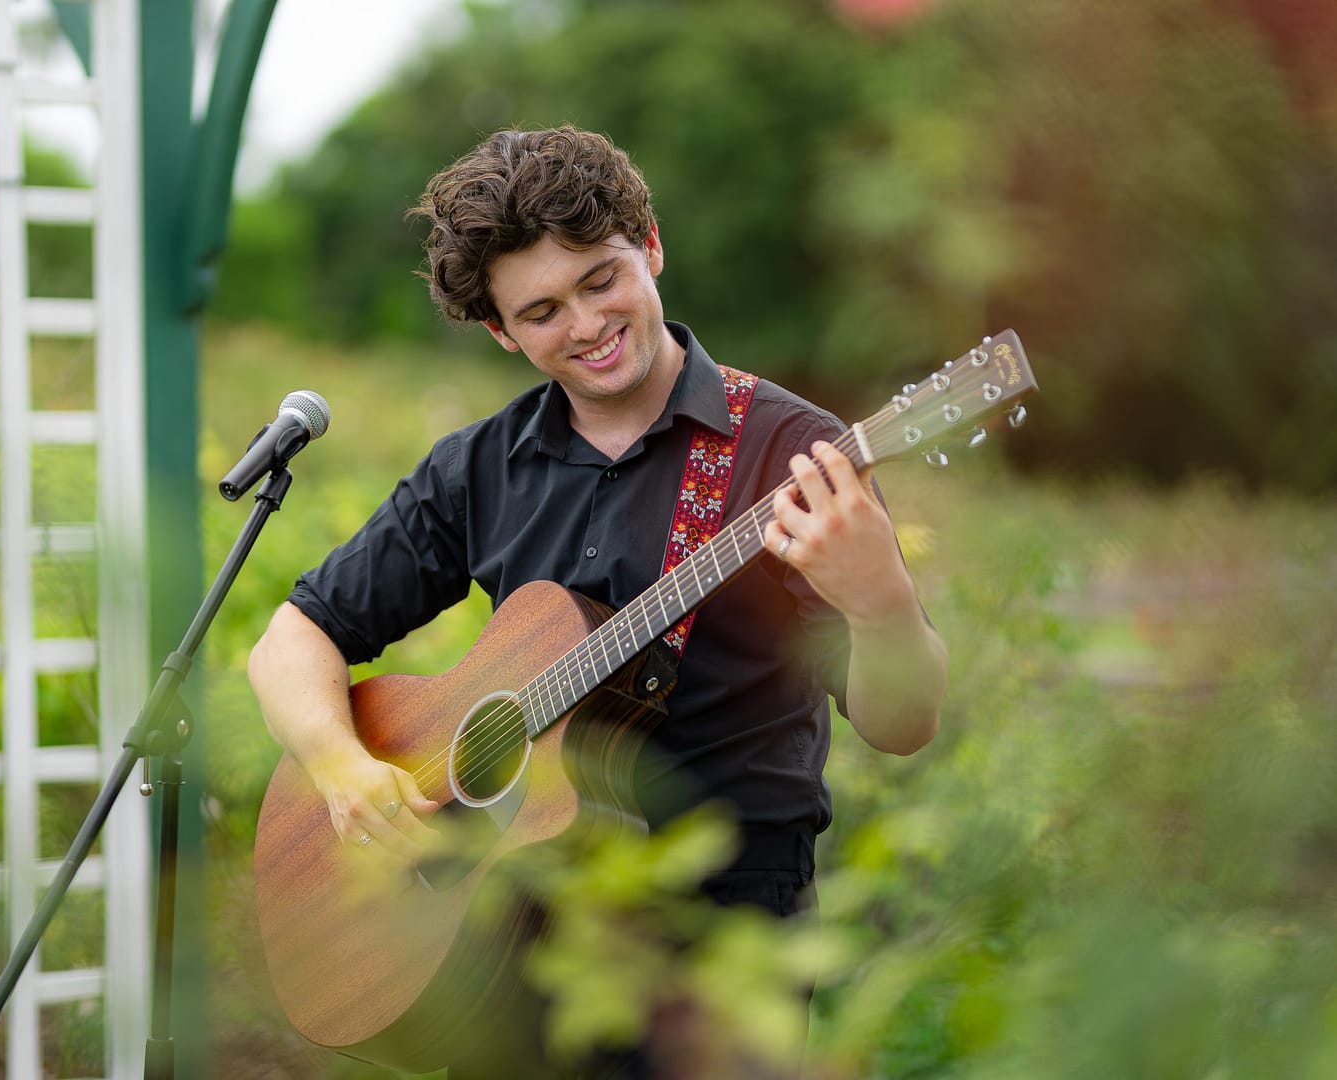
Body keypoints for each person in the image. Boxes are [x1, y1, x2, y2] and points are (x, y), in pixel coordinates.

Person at [247, 125, 947, 1077]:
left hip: (723, 933)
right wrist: (340, 767)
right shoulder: (476, 468)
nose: (583, 326)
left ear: (649, 246)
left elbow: (903, 724)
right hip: (507, 923)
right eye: (539, 312)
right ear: (500, 331)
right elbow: (294, 638)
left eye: (600, 280)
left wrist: (880, 604)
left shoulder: (791, 452)